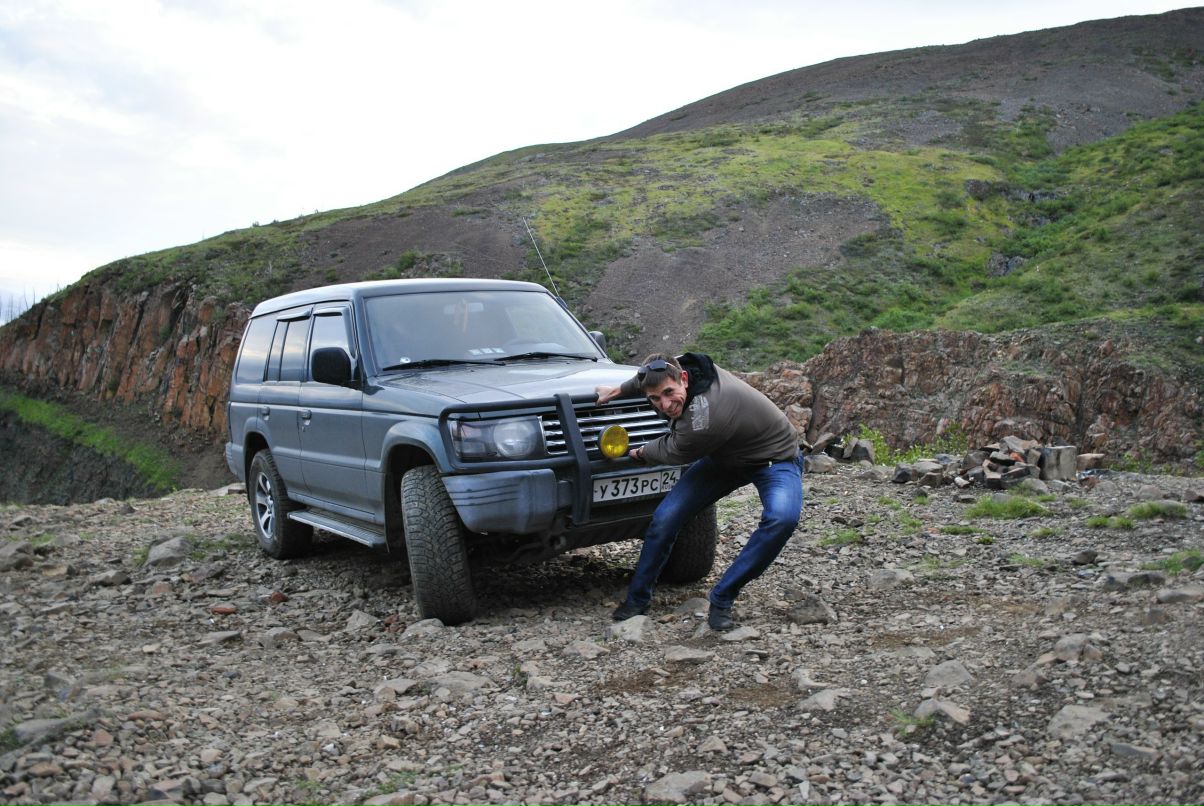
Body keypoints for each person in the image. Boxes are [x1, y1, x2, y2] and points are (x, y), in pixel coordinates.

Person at [595, 352, 804, 631]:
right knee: (664, 520)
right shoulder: (676, 367)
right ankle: (637, 599)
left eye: (669, 393)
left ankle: (723, 597)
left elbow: (673, 450)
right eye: (655, 399)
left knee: (782, 518)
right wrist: (617, 390)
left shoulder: (705, 414)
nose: (665, 405)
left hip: (774, 460)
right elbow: (646, 379)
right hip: (725, 458)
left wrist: (641, 453)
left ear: (684, 379)